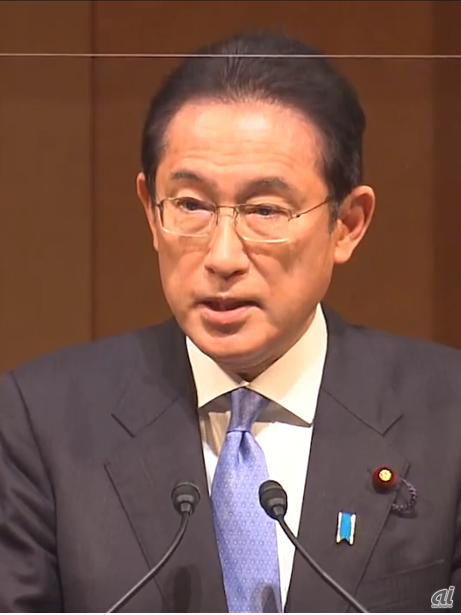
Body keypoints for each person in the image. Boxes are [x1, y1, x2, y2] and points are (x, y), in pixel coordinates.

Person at [0, 28, 460, 614]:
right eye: (190, 205)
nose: (222, 257)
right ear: (150, 212)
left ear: (347, 224)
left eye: (265, 210)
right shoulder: (39, 422)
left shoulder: (448, 415)